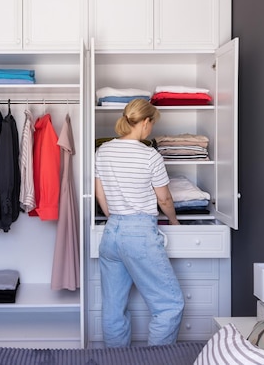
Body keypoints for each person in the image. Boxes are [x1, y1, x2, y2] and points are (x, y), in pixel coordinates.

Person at [94, 98, 185, 347]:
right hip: (140, 234)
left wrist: (114, 217)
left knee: (114, 308)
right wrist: (174, 221)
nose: (151, 128)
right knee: (169, 304)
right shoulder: (150, 155)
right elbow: (164, 198)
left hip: (111, 233)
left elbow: (100, 194)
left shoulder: (103, 151)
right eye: (152, 123)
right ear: (145, 122)